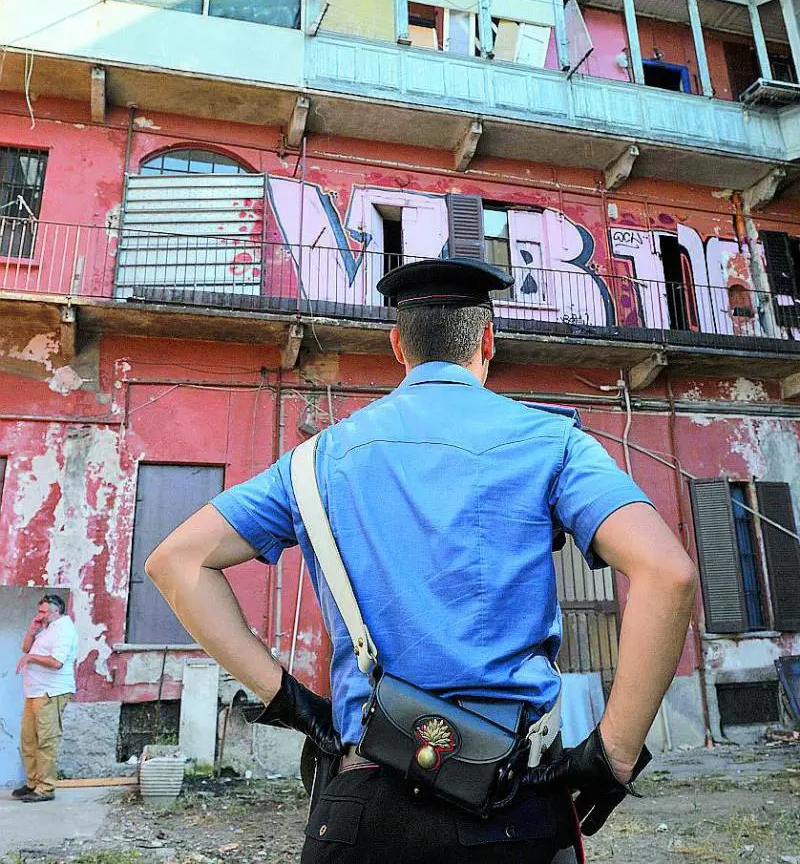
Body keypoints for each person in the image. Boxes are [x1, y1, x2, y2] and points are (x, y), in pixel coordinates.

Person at [146, 257, 698, 862]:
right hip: (513, 802)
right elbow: (666, 572)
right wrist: (611, 758)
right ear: (488, 339)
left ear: (397, 346)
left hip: (361, 801)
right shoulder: (553, 442)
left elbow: (177, 562)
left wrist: (298, 707)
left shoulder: (315, 462)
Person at [14, 593, 78, 803]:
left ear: (55, 611)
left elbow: (56, 662)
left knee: (46, 741)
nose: (39, 615)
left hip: (51, 692)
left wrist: (31, 658)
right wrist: (32, 631)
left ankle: (46, 787)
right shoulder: (48, 629)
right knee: (29, 740)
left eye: (43, 612)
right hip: (35, 691)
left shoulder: (64, 630)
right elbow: (25, 648)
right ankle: (33, 782)